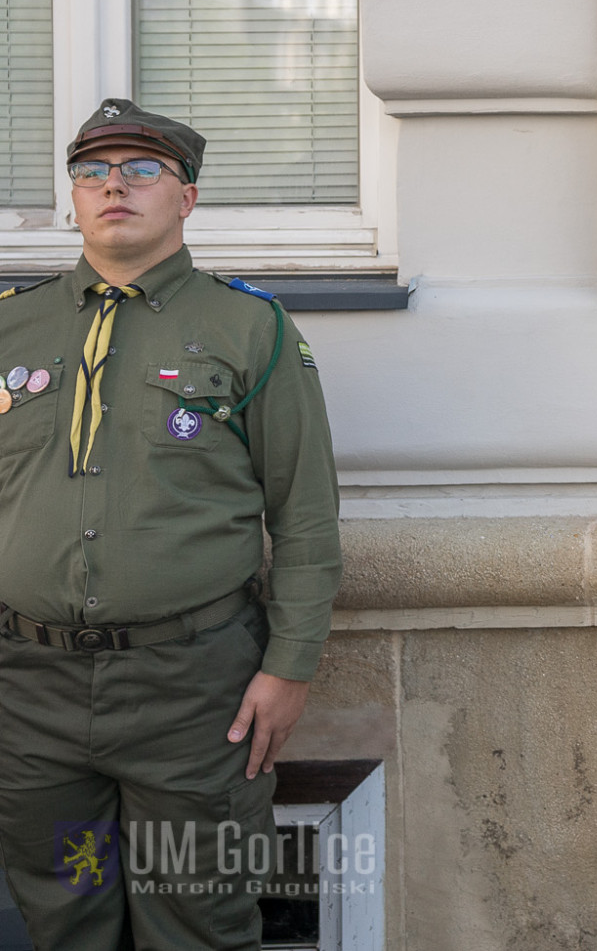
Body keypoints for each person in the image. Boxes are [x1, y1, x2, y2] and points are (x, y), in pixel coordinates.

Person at [0, 100, 342, 951]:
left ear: (186, 198)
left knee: (198, 918)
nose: (114, 185)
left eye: (142, 169)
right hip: (28, 693)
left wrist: (291, 665)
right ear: (73, 197)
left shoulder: (247, 328)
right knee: (63, 915)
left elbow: (302, 513)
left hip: (193, 693)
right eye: (93, 171)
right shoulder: (12, 324)